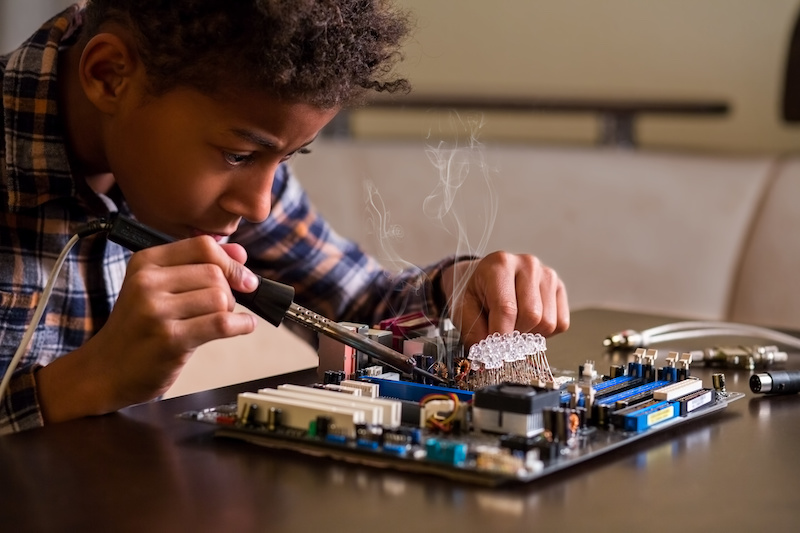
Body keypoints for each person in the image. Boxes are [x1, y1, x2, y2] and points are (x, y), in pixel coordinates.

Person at [0, 0, 569, 434]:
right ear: (109, 76)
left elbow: (361, 306)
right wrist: (89, 382)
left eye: (287, 158)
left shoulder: (231, 153)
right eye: (238, 155)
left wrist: (459, 290)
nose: (259, 206)